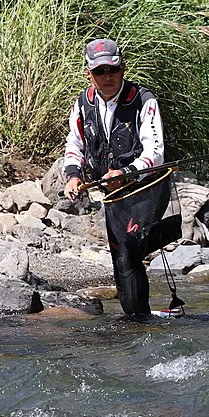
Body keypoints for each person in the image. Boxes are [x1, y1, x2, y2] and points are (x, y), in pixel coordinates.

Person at [63, 38, 177, 316]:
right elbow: (74, 144)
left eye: (112, 70)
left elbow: (155, 152)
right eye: (100, 72)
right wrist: (73, 174)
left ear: (123, 68)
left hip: (147, 187)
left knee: (128, 253)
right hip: (114, 195)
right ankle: (138, 319)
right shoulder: (82, 104)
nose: (107, 77)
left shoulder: (143, 100)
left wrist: (126, 174)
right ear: (89, 73)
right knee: (121, 257)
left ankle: (137, 323)